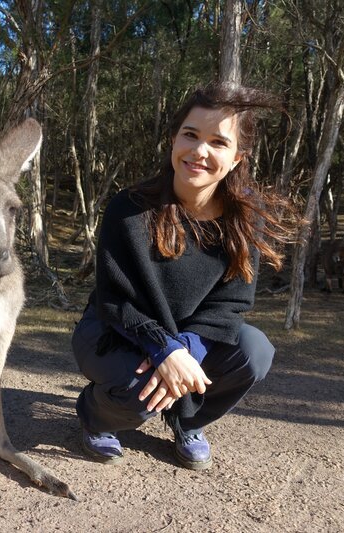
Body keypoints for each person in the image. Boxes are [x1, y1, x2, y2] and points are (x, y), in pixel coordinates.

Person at [71, 82, 296, 470]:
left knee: (255, 351)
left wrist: (187, 348)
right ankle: (96, 414)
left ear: (238, 157)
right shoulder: (129, 209)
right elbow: (114, 301)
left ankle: (186, 420)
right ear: (174, 140)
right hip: (114, 331)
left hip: (188, 338)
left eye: (218, 142)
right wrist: (164, 349)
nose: (199, 151)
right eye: (190, 135)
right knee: (141, 389)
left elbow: (232, 305)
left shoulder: (243, 219)